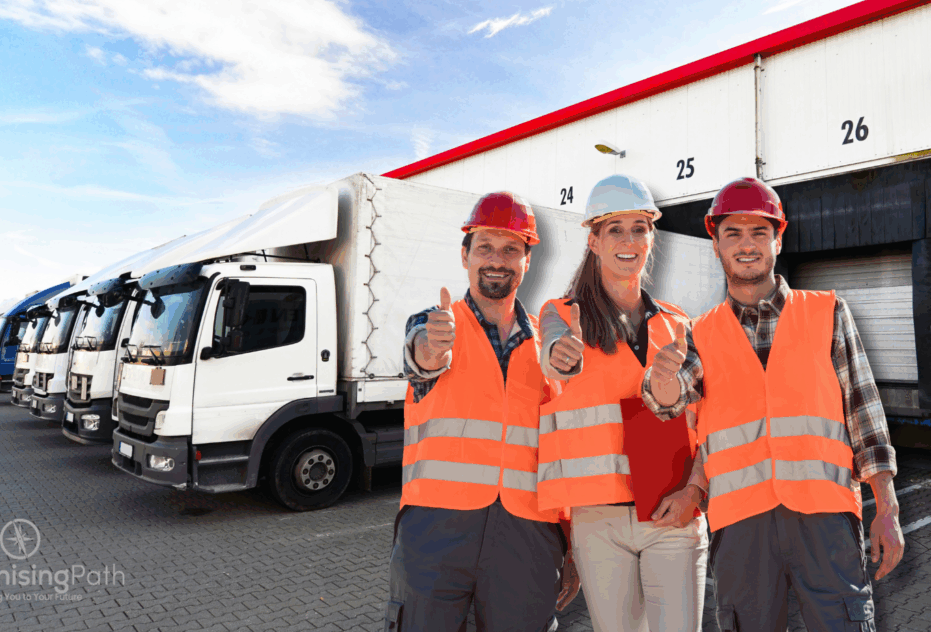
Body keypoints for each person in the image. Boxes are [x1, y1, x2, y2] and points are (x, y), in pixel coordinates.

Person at [646, 176, 905, 632]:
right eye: (733, 234)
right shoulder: (699, 333)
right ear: (716, 245)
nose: (746, 245)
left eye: (758, 232)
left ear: (778, 240)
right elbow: (669, 401)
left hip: (825, 518)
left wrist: (888, 509)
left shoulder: (828, 311)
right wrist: (661, 380)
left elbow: (865, 416)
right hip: (741, 526)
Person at [386, 191, 579, 632]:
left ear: (528, 260)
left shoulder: (548, 349)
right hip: (435, 529)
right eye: (485, 247)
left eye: (511, 249)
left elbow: (562, 453)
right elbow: (422, 357)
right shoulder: (434, 323)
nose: (497, 259)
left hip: (529, 534)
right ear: (464, 255)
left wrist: (571, 543)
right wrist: (432, 347)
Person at [538, 174, 709, 632]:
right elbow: (553, 358)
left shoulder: (678, 324)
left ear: (652, 238)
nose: (628, 240)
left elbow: (707, 422)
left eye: (639, 227)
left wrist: (696, 490)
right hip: (599, 525)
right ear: (593, 240)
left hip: (673, 512)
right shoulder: (561, 314)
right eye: (615, 229)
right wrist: (561, 353)